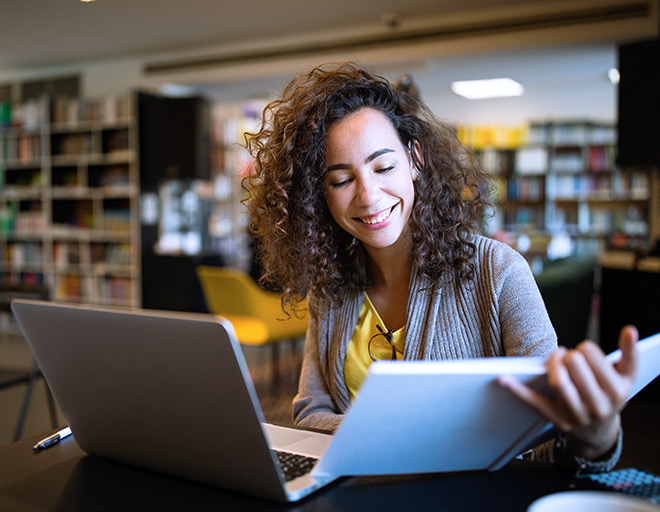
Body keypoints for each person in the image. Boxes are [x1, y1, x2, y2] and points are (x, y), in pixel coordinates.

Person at [243, 62, 638, 472]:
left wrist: (596, 437)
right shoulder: (331, 286)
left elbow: (546, 438)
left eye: (383, 167)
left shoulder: (498, 271)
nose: (368, 196)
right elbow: (309, 413)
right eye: (341, 180)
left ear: (414, 160)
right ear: (318, 194)